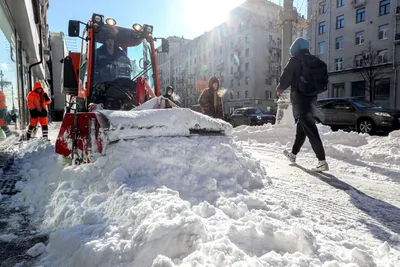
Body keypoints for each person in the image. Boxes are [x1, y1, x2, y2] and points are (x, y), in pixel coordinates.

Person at [276, 37, 329, 172]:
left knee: (310, 129)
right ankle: (293, 155)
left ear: (296, 49)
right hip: (312, 99)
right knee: (302, 129)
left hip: (300, 99)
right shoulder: (315, 61)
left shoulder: (295, 60)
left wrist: (280, 88)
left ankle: (322, 161)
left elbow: (286, 76)